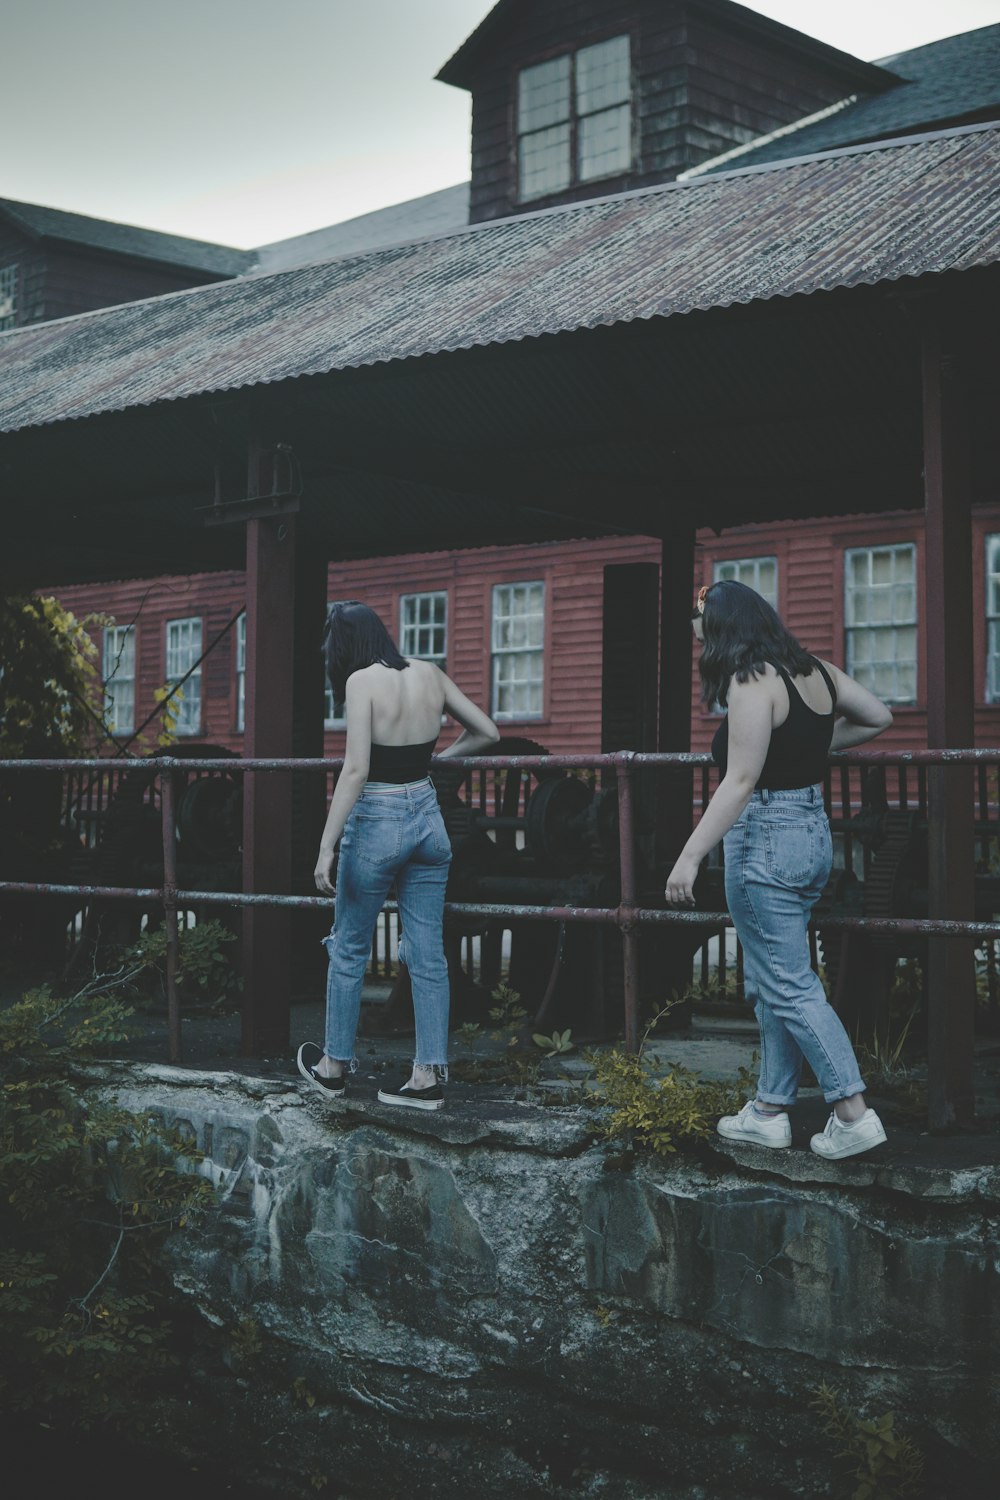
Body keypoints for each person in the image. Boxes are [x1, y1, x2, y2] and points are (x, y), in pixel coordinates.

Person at [664, 580, 893, 1160]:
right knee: (775, 980)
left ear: (722, 628)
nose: (696, 630)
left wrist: (690, 854)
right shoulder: (818, 671)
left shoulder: (750, 682)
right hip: (812, 833)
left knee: (789, 984)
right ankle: (769, 1110)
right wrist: (811, 750)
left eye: (699, 620)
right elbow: (877, 717)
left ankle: (852, 1113)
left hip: (765, 837)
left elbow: (739, 781)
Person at [297, 601, 499, 1111]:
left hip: (378, 819)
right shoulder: (429, 673)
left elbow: (356, 770)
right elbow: (487, 731)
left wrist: (325, 845)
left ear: (342, 644)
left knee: (348, 946)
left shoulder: (360, 682)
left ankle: (333, 1067)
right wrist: (435, 763)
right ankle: (427, 1076)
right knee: (427, 952)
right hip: (428, 817)